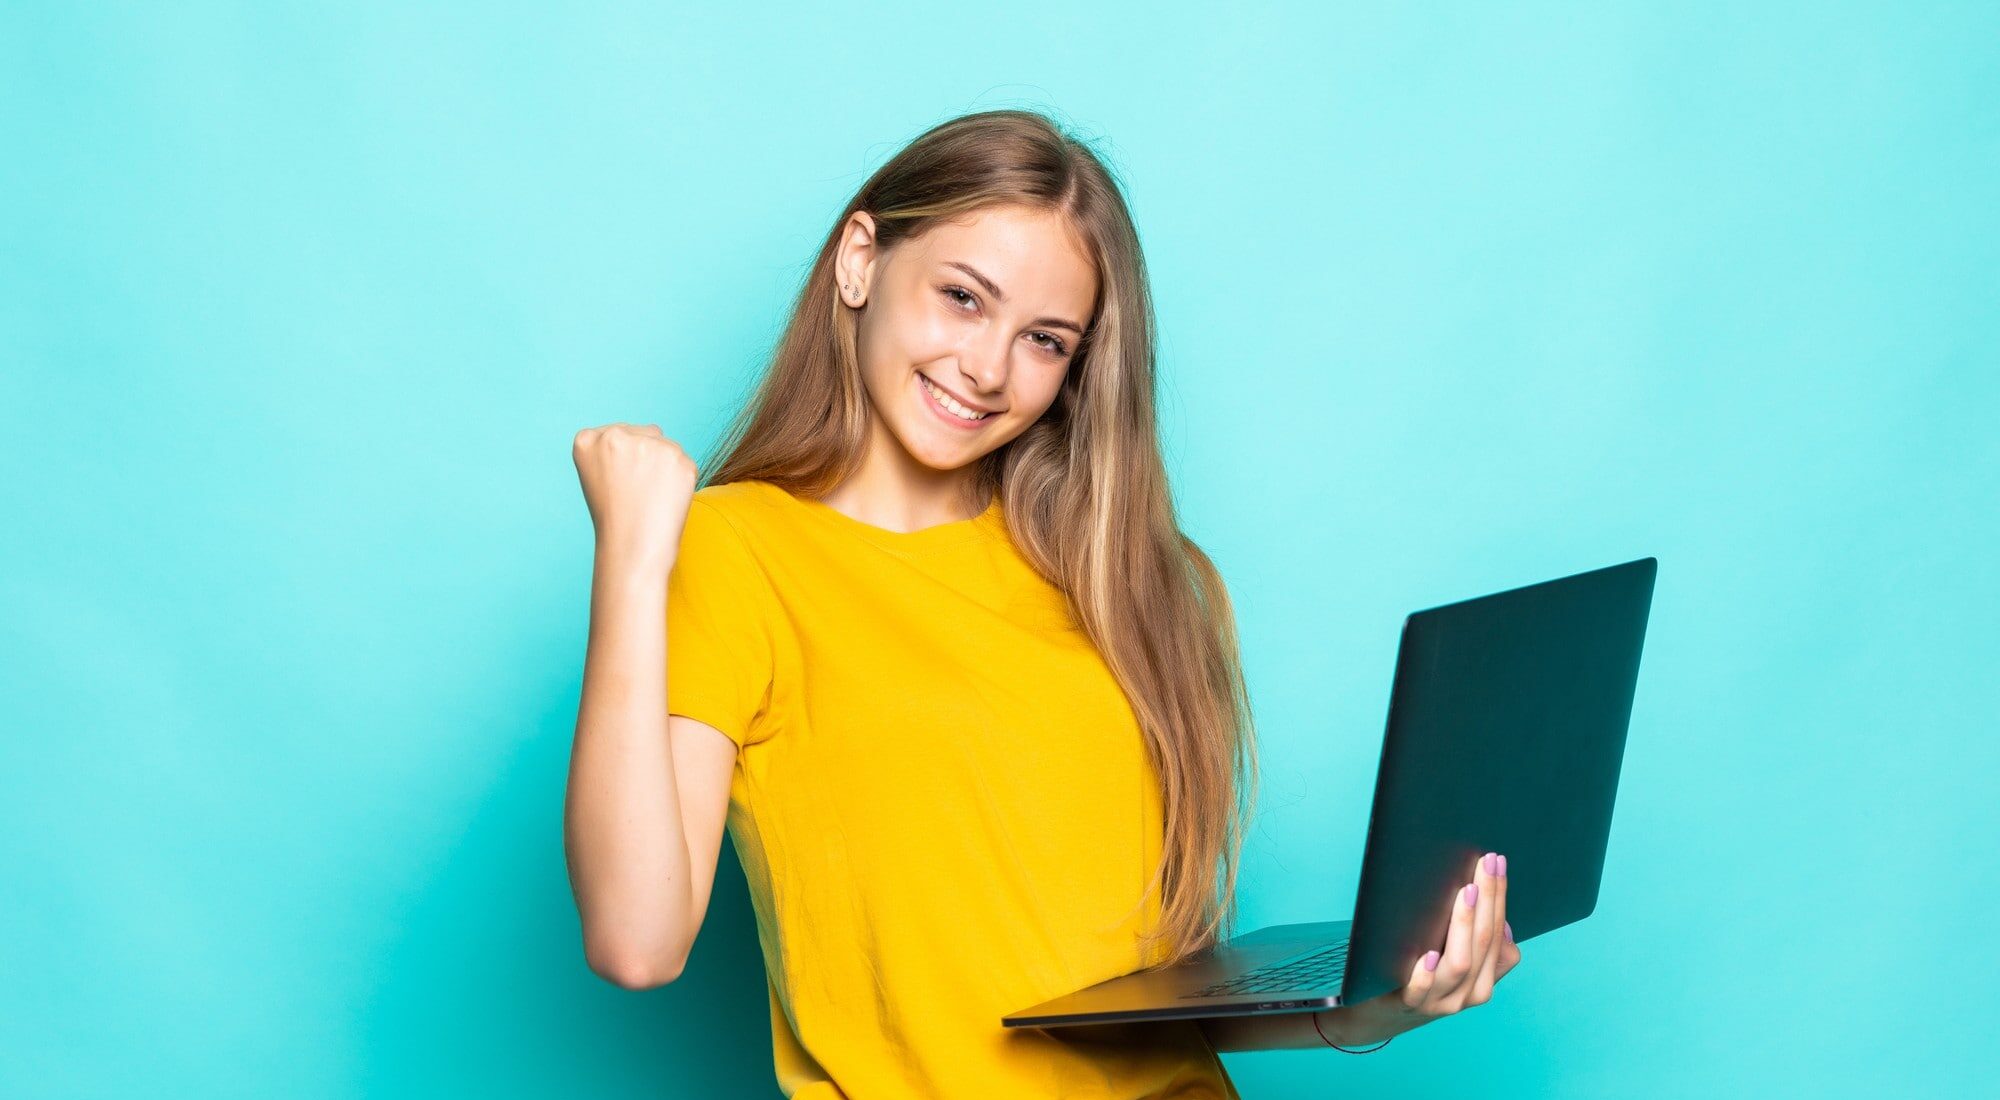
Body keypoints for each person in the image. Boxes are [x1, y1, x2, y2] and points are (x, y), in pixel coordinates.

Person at [565, 108, 1522, 1099]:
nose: (986, 368)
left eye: (1043, 339)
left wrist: (1381, 1001)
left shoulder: (1125, 580)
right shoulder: (738, 549)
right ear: (858, 260)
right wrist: (634, 560)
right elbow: (638, 941)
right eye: (962, 297)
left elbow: (1134, 1005)